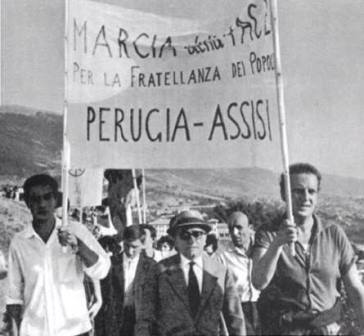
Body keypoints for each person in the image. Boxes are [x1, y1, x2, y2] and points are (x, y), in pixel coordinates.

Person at [252, 163, 364, 335]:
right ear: (284, 194)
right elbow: (259, 281)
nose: (305, 198)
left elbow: (355, 289)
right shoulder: (268, 233)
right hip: (286, 330)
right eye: (297, 191)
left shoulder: (334, 234)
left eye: (311, 191)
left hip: (328, 329)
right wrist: (277, 244)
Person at [6, 174, 111, 336]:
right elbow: (14, 298)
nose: (42, 204)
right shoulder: (19, 243)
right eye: (35, 199)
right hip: (35, 330)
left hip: (74, 329)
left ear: (56, 200)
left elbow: (102, 270)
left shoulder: (76, 231)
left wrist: (79, 247)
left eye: (47, 197)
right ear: (27, 203)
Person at [135, 209, 246, 336]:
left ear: (205, 238)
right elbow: (145, 320)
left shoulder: (220, 272)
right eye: (185, 235)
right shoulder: (158, 272)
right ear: (175, 239)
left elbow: (235, 320)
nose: (192, 241)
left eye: (198, 234)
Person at [95, 225, 156, 336]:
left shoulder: (151, 266)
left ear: (142, 245)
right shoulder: (111, 263)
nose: (130, 250)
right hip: (115, 319)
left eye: (134, 247)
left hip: (140, 319)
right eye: (126, 245)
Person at [217, 211, 261, 335]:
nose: (235, 233)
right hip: (239, 311)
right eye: (231, 229)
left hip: (264, 308)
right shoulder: (223, 255)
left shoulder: (262, 248)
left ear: (250, 228)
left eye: (239, 228)